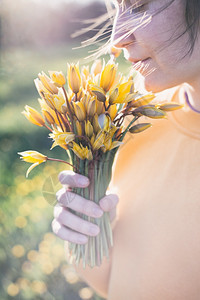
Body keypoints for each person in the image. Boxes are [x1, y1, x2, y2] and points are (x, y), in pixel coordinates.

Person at [52, 0, 200, 299]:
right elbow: (121, 285)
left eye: (139, 5)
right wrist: (89, 239)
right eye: (116, 9)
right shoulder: (136, 117)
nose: (115, 39)